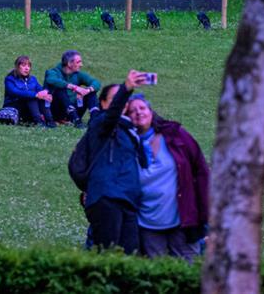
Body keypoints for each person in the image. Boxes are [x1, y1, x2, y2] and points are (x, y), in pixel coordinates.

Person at [125, 95, 209, 261]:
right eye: (132, 111)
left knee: (189, 270)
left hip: (182, 221)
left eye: (142, 108)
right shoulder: (126, 144)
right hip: (147, 224)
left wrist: (206, 209)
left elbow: (201, 169)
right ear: (127, 118)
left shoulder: (175, 135)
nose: (138, 113)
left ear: (151, 111)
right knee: (156, 274)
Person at [83, 70, 149, 254]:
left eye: (122, 99)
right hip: (107, 197)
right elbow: (112, 115)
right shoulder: (101, 123)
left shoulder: (129, 130)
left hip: (127, 199)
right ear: (103, 103)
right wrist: (126, 88)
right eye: (115, 98)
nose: (121, 102)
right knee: (108, 255)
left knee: (130, 254)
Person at [44, 50, 101, 127]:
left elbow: (96, 82)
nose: (81, 65)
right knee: (60, 89)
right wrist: (74, 87)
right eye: (78, 62)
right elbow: (51, 80)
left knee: (91, 92)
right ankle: (76, 121)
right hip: (57, 111)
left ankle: (94, 120)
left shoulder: (78, 74)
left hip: (74, 109)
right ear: (69, 64)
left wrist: (87, 90)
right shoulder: (53, 72)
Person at [2, 56, 55, 127]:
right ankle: (39, 122)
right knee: (31, 98)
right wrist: (35, 95)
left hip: (28, 107)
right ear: (17, 66)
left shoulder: (33, 79)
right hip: (14, 106)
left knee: (42, 98)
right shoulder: (10, 79)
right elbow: (14, 92)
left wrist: (46, 94)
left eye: (28, 66)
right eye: (23, 65)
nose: (27, 68)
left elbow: (40, 89)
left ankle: (50, 121)